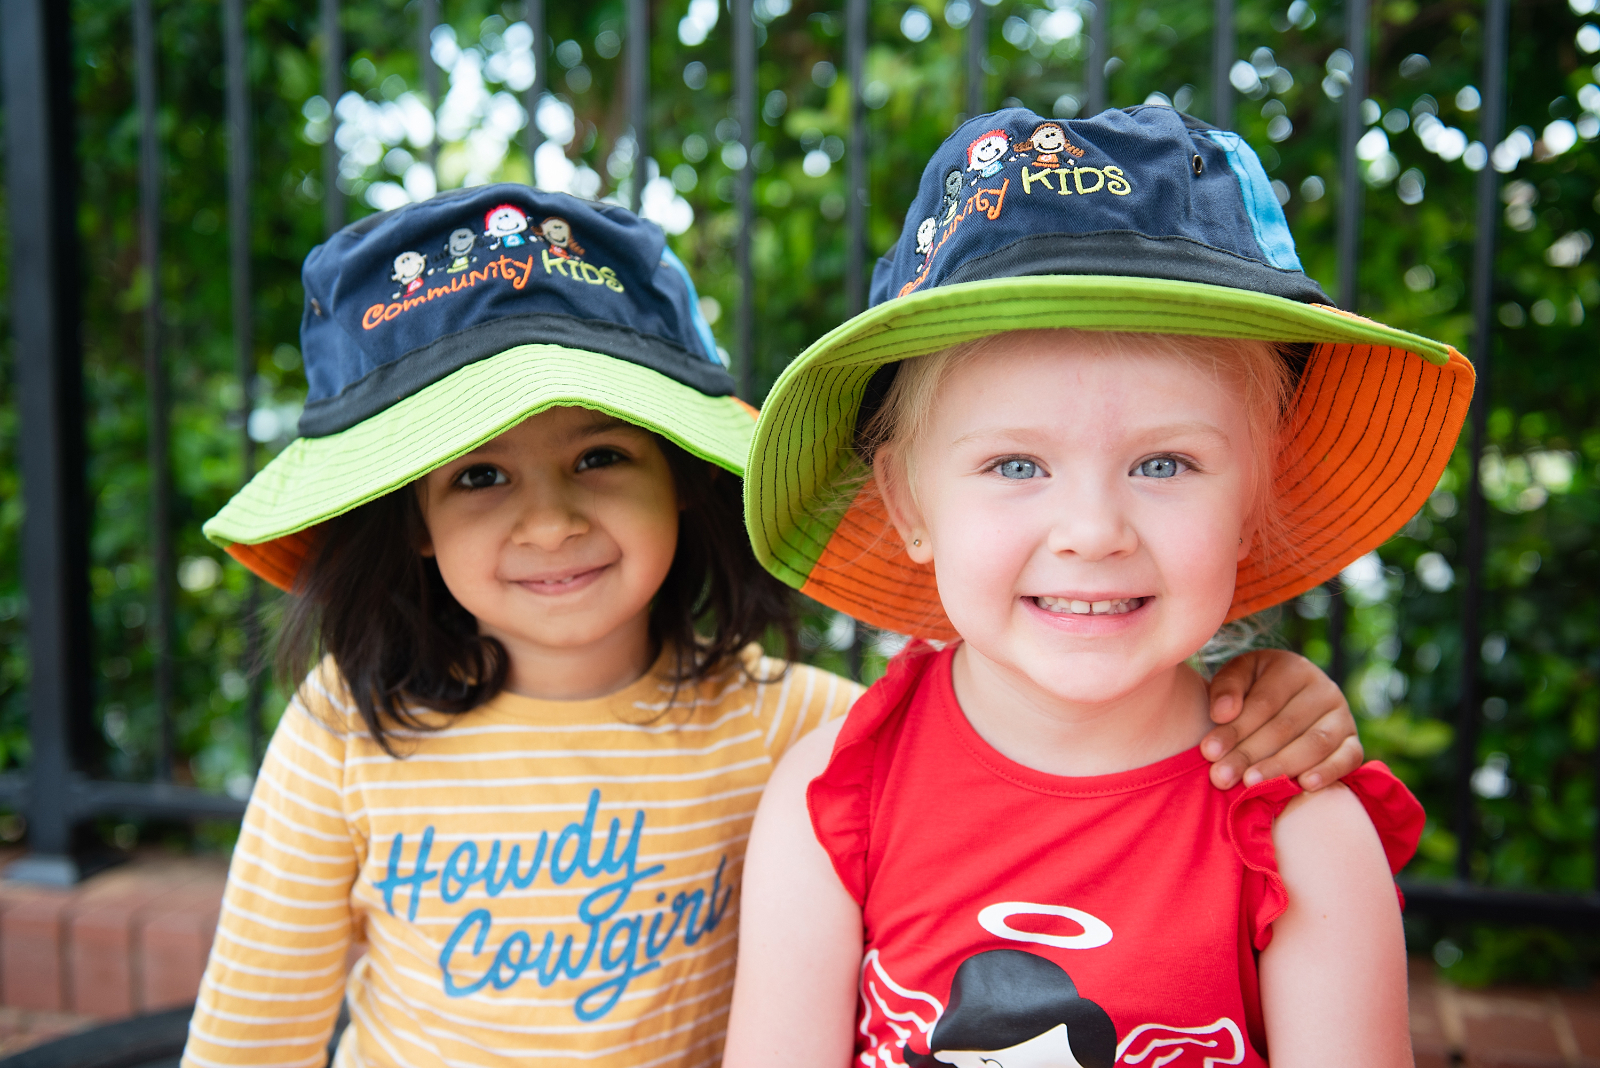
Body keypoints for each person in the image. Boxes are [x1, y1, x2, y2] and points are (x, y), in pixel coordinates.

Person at [184, 183, 1368, 1068]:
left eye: (600, 456)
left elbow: (1028, 736)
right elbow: (257, 1024)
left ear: (685, 484)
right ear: (413, 528)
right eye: (477, 478)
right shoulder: (350, 728)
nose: (549, 522)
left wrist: (1264, 689)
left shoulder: (797, 728)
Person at [726, 107, 1474, 1068]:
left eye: (1164, 465)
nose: (1092, 532)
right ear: (909, 505)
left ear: (1252, 505)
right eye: (1013, 464)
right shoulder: (834, 799)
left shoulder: (1298, 830)